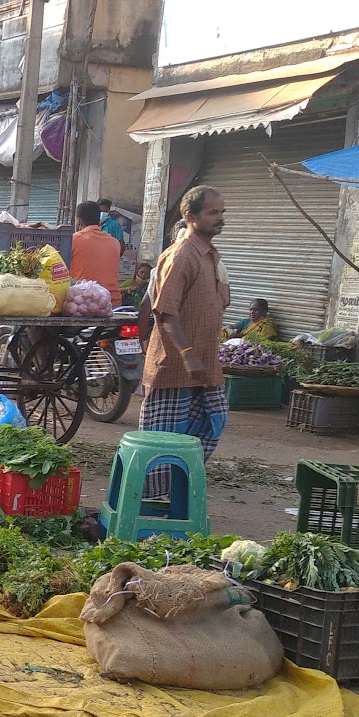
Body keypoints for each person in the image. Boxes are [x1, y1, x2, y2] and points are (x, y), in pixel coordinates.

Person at [139, 185, 231, 499]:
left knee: (213, 420)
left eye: (221, 212)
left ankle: (176, 486)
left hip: (205, 367)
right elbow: (164, 312)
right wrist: (189, 355)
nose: (220, 219)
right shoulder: (181, 256)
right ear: (190, 217)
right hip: (175, 367)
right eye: (212, 213)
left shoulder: (208, 255)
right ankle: (148, 500)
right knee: (161, 442)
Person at [70, 199, 122, 304]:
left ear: (79, 221)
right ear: (99, 220)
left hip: (81, 302)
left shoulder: (73, 240)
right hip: (112, 301)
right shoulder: (115, 243)